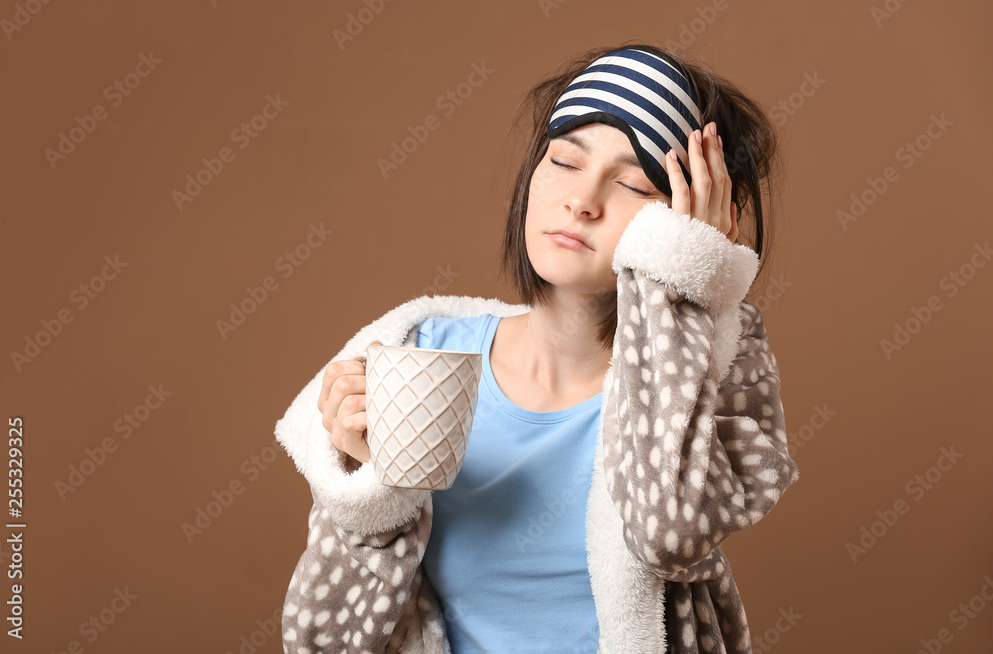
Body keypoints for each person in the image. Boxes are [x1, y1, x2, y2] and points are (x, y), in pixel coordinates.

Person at [274, 42, 800, 653]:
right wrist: (366, 497)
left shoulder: (714, 371)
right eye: (564, 161)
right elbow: (322, 641)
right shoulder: (413, 354)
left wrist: (682, 286)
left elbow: (670, 531)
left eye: (633, 183)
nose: (582, 201)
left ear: (698, 224)